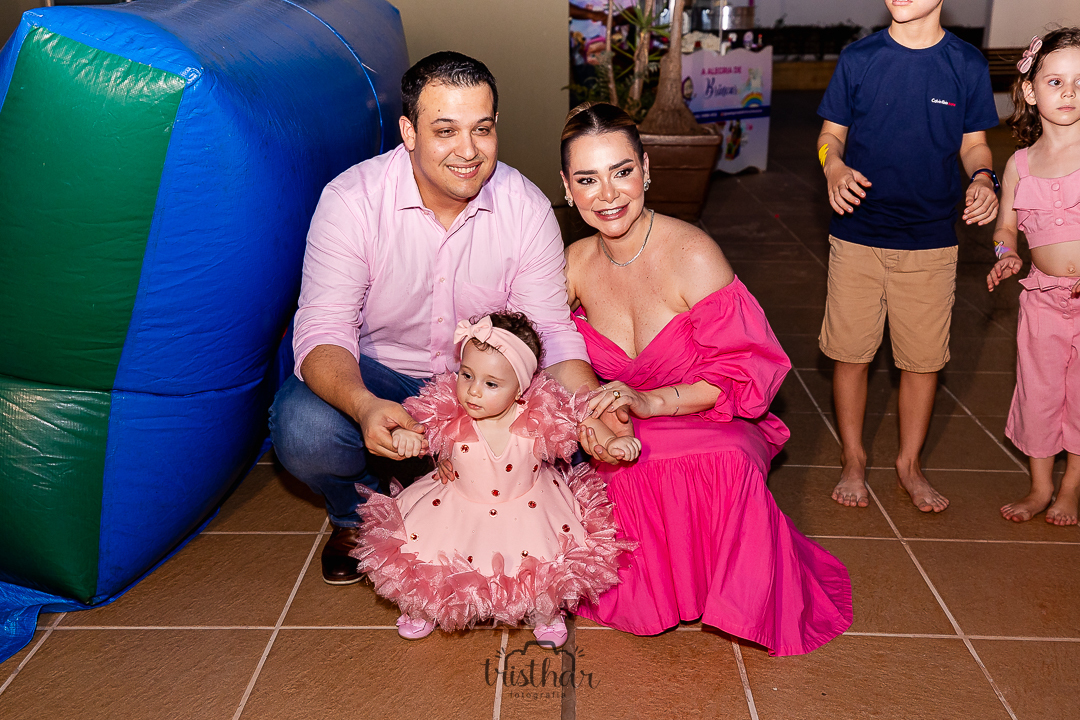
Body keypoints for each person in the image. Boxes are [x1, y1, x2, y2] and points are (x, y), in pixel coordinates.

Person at [269, 52, 613, 586]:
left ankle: (453, 488)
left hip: (485, 390)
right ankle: (357, 514)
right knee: (303, 428)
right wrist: (364, 406)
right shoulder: (351, 201)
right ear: (408, 132)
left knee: (574, 444)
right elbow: (323, 329)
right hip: (380, 377)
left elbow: (549, 332)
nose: (468, 151)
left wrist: (591, 407)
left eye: (482, 129)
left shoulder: (526, 208)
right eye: (446, 130)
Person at [560, 102, 852, 656]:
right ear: (567, 188)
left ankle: (725, 591)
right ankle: (665, 595)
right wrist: (594, 413)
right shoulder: (572, 264)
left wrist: (651, 402)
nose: (608, 194)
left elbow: (743, 370)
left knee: (727, 462)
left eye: (622, 171)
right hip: (625, 423)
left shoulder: (692, 253)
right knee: (615, 469)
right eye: (588, 179)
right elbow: (546, 350)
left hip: (710, 414)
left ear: (646, 169)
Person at [352, 312, 638, 646]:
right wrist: (407, 438)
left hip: (529, 505)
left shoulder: (538, 415)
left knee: (540, 561)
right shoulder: (448, 411)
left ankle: (545, 610)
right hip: (457, 504)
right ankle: (424, 603)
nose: (473, 391)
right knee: (431, 555)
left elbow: (581, 423)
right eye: (466, 375)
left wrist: (610, 442)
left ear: (520, 388)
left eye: (491, 384)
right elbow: (419, 432)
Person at [816, 0, 1000, 513]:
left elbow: (975, 144)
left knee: (922, 362)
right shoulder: (859, 58)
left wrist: (984, 177)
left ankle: (909, 464)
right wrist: (833, 167)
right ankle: (853, 457)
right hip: (857, 236)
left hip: (930, 242)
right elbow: (830, 136)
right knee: (851, 354)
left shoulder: (966, 63)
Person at [987, 29, 1080, 526]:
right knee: (1039, 392)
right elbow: (1006, 228)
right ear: (1030, 89)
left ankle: (1070, 489)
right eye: (1056, 81)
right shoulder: (1020, 164)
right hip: (1042, 298)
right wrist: (1006, 255)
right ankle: (1041, 486)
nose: (1069, 92)